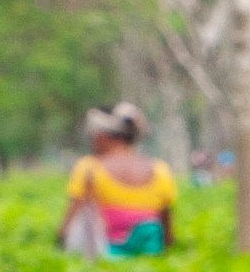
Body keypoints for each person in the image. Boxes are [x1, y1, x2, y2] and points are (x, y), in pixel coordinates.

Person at [58, 106, 181, 258]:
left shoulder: (89, 168)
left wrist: (60, 241)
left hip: (105, 257)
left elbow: (70, 223)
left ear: (103, 136)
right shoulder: (161, 170)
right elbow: (167, 229)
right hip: (150, 255)